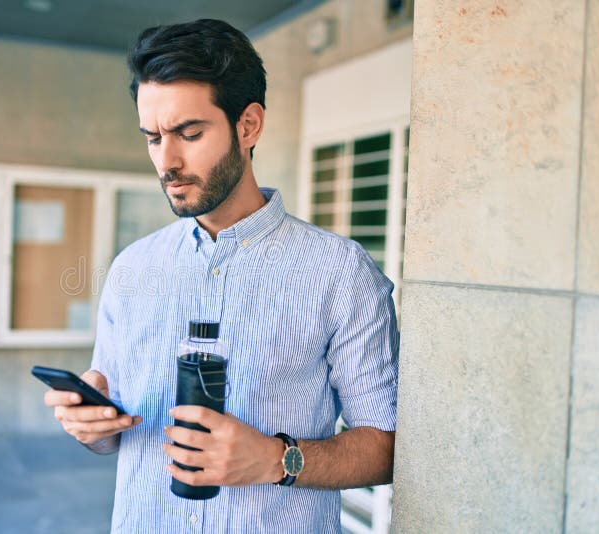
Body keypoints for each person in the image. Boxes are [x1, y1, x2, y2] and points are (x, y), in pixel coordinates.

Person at [45, 18, 399, 533]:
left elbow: (386, 448)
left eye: (189, 133)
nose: (167, 161)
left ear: (249, 125)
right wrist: (90, 425)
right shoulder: (132, 268)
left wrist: (276, 460)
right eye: (152, 138)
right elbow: (114, 433)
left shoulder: (341, 273)